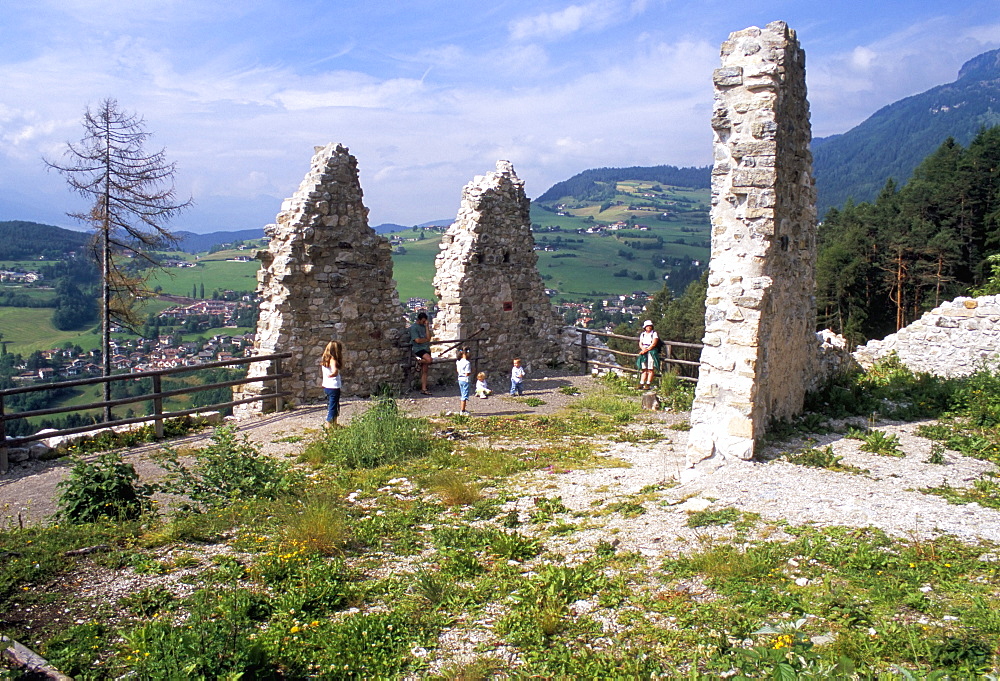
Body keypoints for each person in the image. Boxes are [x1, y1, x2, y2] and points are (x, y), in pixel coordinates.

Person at [320, 340, 343, 426]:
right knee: (333, 407)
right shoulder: (333, 359)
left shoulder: (325, 359)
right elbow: (335, 371)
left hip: (327, 386)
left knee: (332, 405)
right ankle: (328, 425)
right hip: (334, 387)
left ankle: (334, 424)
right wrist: (334, 373)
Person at [409, 311, 433, 395]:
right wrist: (426, 340)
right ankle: (418, 361)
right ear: (418, 320)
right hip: (418, 349)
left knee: (425, 370)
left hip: (426, 348)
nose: (424, 322)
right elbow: (417, 340)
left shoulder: (424, 327)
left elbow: (429, 337)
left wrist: (427, 327)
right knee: (429, 360)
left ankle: (424, 388)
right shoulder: (414, 328)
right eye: (423, 321)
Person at [636, 319, 660, 391]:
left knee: (650, 368)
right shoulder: (643, 334)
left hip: (651, 351)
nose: (648, 327)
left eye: (650, 326)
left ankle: (648, 383)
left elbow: (654, 343)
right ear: (645, 327)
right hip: (644, 351)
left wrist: (646, 350)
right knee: (644, 368)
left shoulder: (654, 334)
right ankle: (641, 382)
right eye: (647, 326)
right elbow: (640, 343)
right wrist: (643, 349)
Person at [456, 347, 471, 416]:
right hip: (465, 379)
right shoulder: (467, 363)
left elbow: (457, 371)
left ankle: (463, 409)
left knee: (462, 393)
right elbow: (467, 373)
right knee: (464, 396)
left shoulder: (458, 361)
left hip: (460, 379)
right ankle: (463, 410)